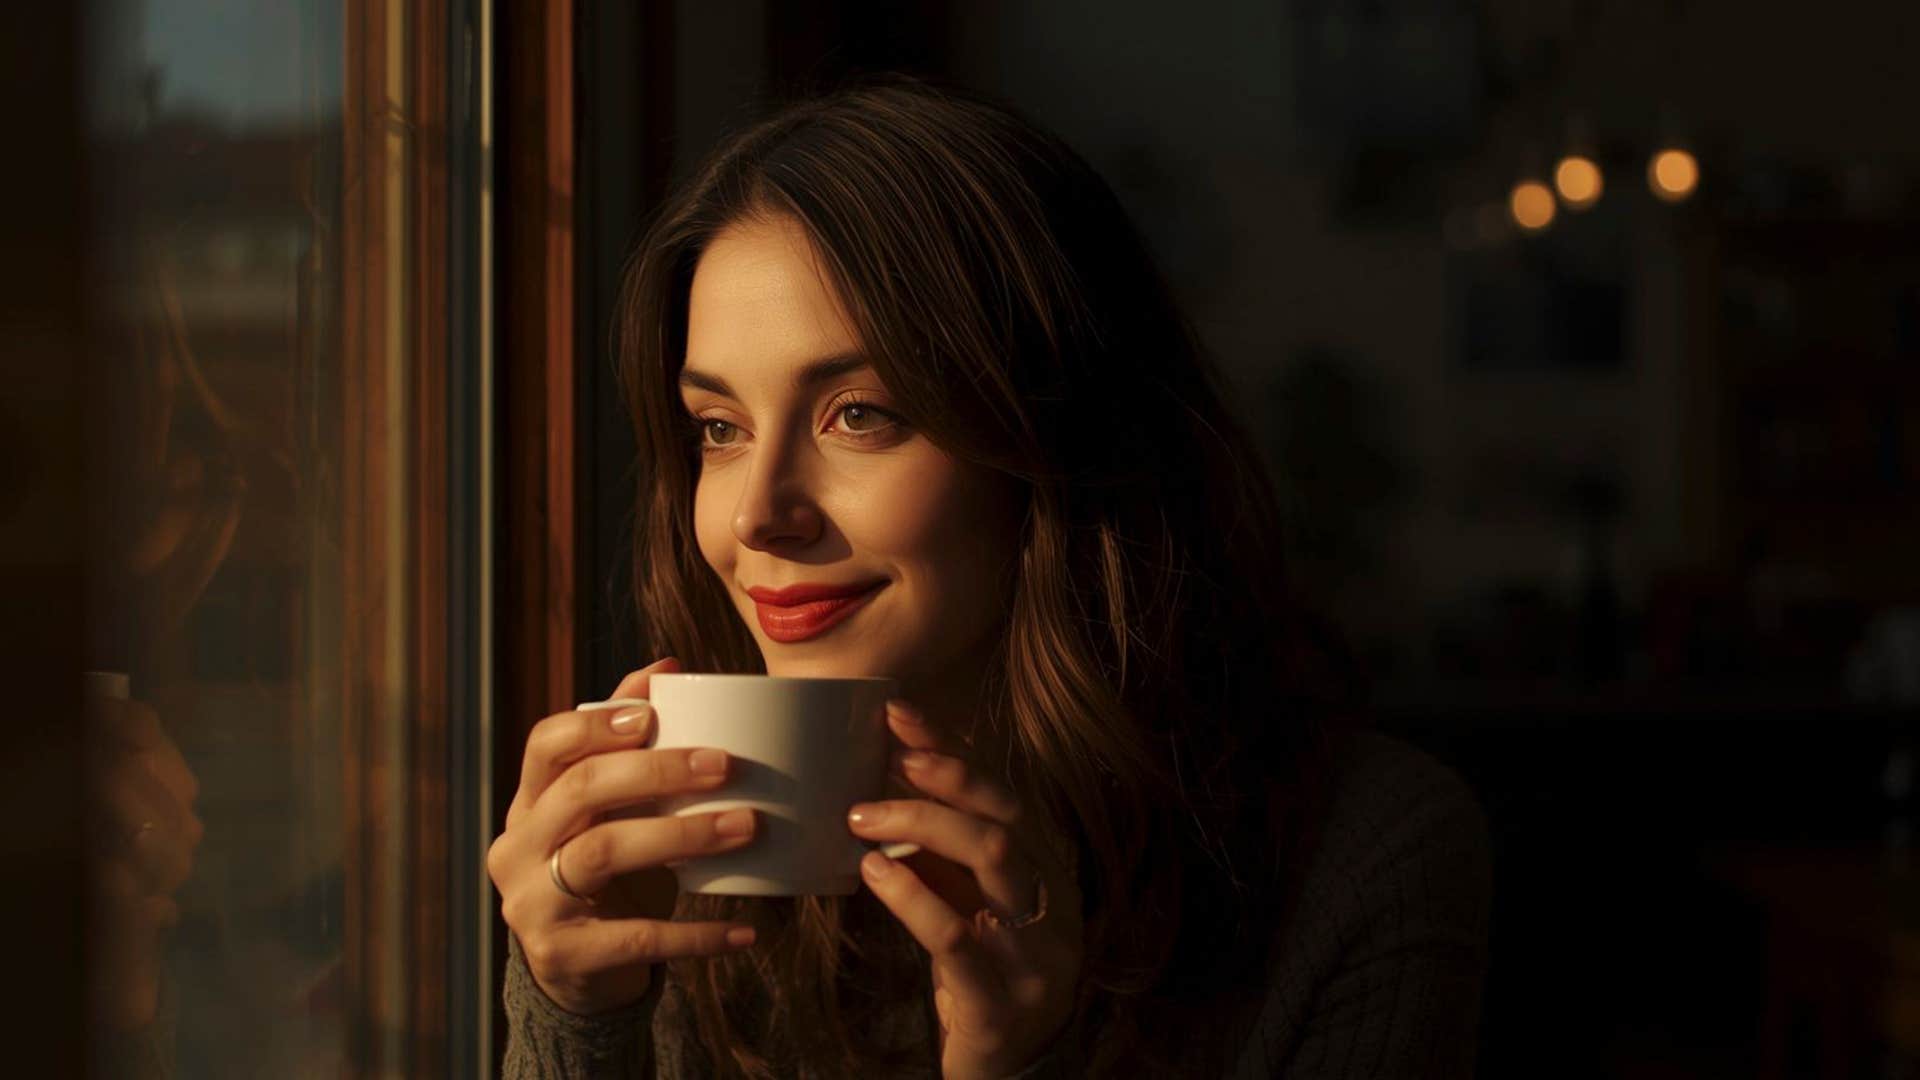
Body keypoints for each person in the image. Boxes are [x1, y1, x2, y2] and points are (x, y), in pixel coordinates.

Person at [489, 76, 1490, 1079]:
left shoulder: (1358, 864)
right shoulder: (677, 862)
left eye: (860, 413)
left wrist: (1023, 1066)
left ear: (1045, 438)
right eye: (720, 428)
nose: (757, 513)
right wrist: (578, 1013)